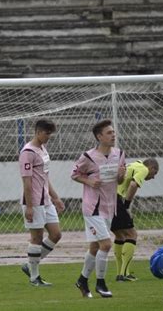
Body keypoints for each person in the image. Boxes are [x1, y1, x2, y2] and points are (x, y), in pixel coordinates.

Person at [71, 119, 126, 298]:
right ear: (99, 136)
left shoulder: (120, 153)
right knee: (106, 244)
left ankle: (82, 280)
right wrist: (89, 180)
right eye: (109, 133)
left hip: (109, 206)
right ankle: (101, 284)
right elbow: (75, 174)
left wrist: (120, 176)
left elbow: (119, 181)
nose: (113, 135)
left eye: (113, 132)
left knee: (94, 247)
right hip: (92, 206)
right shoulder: (88, 156)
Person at [19, 119, 65, 286]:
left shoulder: (42, 149)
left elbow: (44, 177)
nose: (48, 137)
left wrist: (55, 197)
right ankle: (34, 277)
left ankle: (29, 265)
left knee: (56, 234)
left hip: (45, 200)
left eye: (50, 134)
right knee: (36, 237)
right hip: (34, 201)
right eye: (46, 134)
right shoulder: (27, 152)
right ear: (38, 132)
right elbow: (27, 181)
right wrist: (30, 206)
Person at [112, 158, 159, 282]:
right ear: (151, 168)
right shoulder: (143, 169)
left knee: (120, 235)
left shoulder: (133, 165)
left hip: (106, 198)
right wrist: (126, 205)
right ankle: (123, 275)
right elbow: (133, 185)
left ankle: (121, 273)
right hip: (115, 199)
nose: (153, 177)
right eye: (155, 173)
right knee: (132, 234)